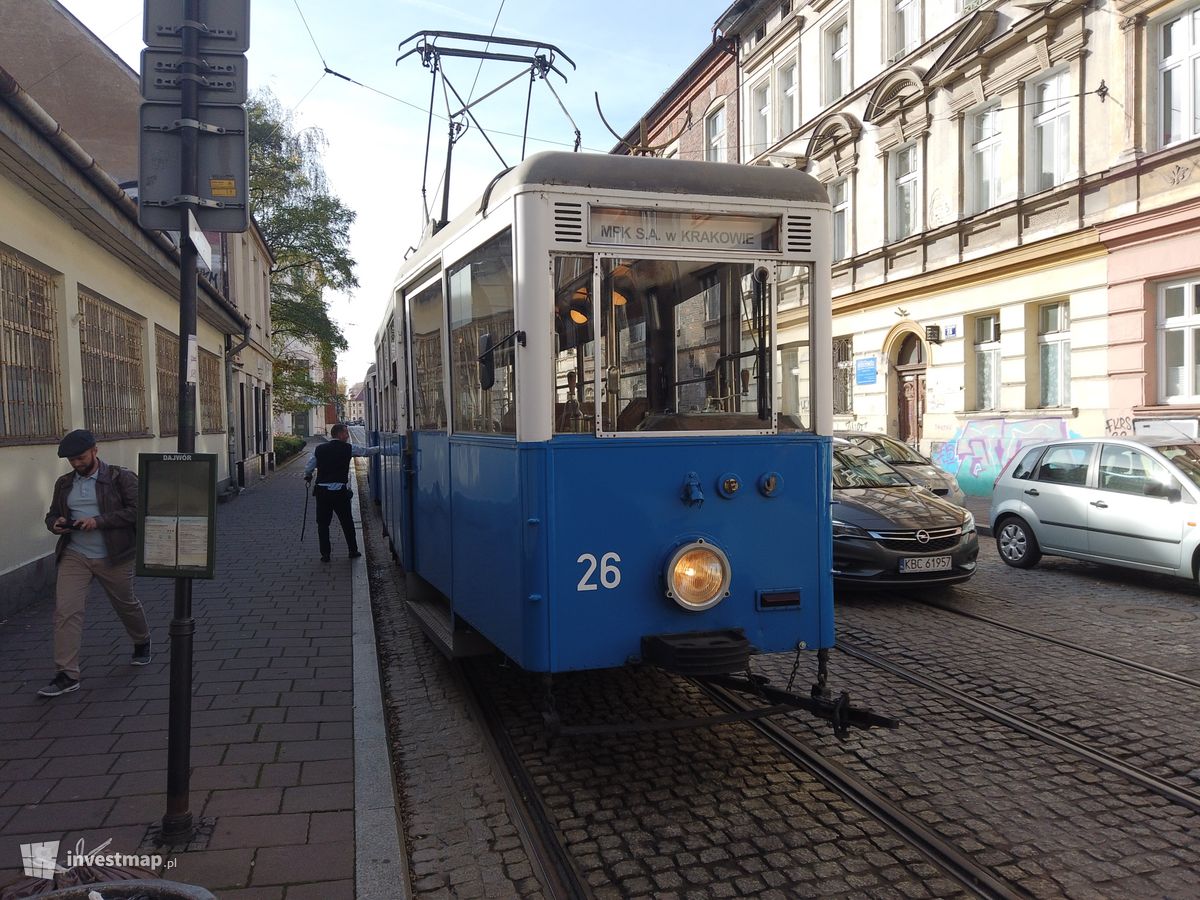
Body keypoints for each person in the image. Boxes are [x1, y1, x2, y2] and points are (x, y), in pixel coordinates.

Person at [40, 429, 151, 698]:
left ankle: (141, 640)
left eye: (80, 458)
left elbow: (139, 510)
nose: (77, 464)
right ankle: (67, 674)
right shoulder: (64, 483)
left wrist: (98, 521)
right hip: (75, 554)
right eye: (71, 460)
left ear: (95, 450)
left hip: (114, 555)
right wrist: (54, 524)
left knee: (125, 603)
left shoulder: (119, 478)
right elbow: (53, 512)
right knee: (66, 611)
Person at [303, 423, 381, 562]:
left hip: (322, 492)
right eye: (346, 433)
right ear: (339, 434)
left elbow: (309, 466)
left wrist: (308, 475)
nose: (347, 435)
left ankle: (325, 554)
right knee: (347, 522)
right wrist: (382, 449)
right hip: (340, 492)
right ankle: (353, 550)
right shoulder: (348, 448)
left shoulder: (319, 449)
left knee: (323, 524)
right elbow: (366, 452)